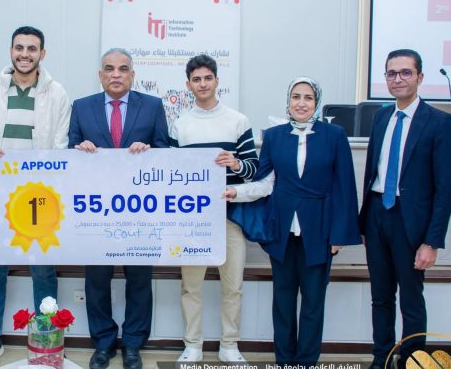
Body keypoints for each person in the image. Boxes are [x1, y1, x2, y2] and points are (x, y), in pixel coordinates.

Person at [224, 76, 361, 367]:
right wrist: (235, 192)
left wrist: (339, 235)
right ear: (288, 101)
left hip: (320, 231)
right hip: (282, 232)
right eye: (296, 97)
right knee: (283, 301)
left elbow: (345, 187)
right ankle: (285, 360)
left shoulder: (335, 135)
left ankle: (306, 362)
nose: (301, 103)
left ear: (317, 102)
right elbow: (265, 183)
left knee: (313, 302)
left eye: (308, 98)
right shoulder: (274, 136)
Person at [0, 26, 71, 367]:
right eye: (19, 48)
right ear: (11, 50)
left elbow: (60, 146)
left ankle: (47, 338)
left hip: (40, 200)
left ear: (43, 53)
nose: (24, 54)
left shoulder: (57, 94)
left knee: (43, 270)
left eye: (31, 48)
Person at [68, 48, 169, 369]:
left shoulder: (152, 106)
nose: (116, 74)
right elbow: (69, 153)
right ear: (100, 75)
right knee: (97, 279)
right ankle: (103, 343)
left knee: (139, 279)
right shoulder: (81, 107)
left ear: (132, 75)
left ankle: (133, 344)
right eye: (109, 68)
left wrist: (150, 151)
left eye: (123, 69)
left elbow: (166, 152)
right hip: (95, 212)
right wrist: (79, 149)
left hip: (140, 211)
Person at [359, 49, 451, 369]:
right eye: (391, 73)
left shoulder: (439, 122)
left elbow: (446, 188)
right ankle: (382, 358)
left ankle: (412, 360)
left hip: (410, 221)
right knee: (381, 296)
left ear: (419, 77)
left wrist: (432, 241)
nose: (398, 79)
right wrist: (364, 222)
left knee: (411, 299)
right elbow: (372, 171)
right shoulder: (381, 117)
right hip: (377, 214)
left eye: (405, 72)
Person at [169, 55, 258, 363]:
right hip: (193, 221)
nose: (203, 84)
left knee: (233, 287)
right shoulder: (180, 124)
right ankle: (192, 344)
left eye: (208, 78)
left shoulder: (238, 121)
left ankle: (229, 345)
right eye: (197, 79)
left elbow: (253, 169)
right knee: (191, 287)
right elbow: (170, 173)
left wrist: (235, 163)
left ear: (217, 81)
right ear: (188, 85)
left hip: (229, 218)